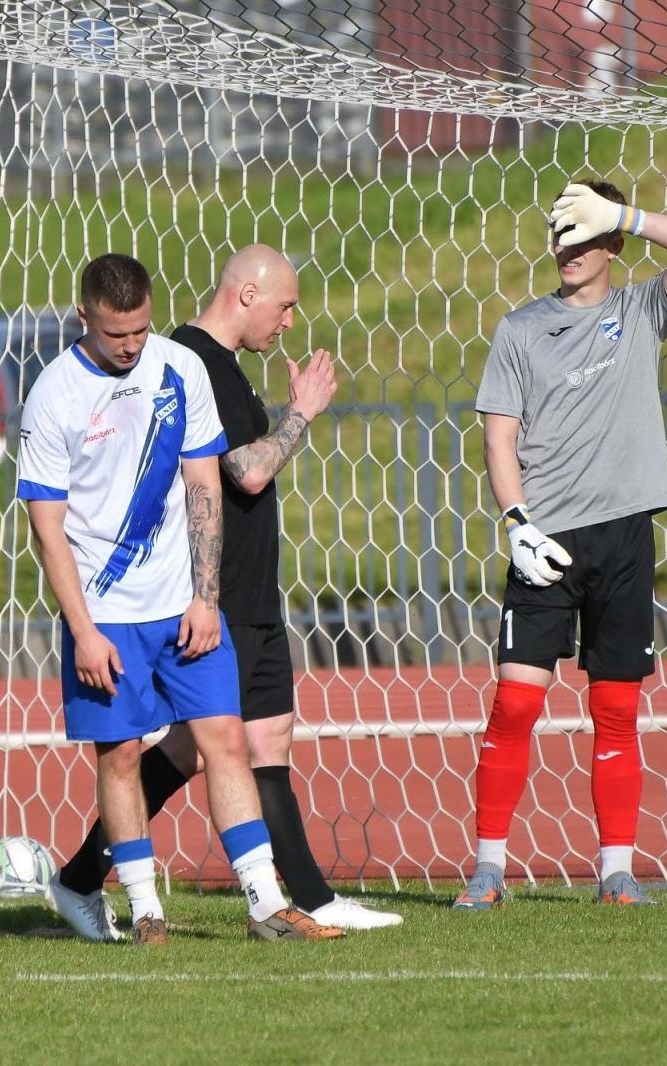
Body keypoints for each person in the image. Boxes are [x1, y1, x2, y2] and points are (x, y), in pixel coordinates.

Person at [45, 245, 400, 939]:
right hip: (211, 594)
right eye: (286, 305)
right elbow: (245, 471)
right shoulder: (190, 359)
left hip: (250, 591)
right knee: (198, 746)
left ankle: (296, 899)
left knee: (257, 739)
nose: (290, 322)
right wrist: (301, 414)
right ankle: (94, 878)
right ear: (246, 295)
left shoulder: (218, 366)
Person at [454, 181, 667, 909]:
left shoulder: (641, 310)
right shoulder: (519, 330)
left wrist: (624, 214)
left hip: (625, 535)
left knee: (615, 710)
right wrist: (517, 524)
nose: (566, 246)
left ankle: (616, 874)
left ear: (613, 245)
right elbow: (498, 437)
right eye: (559, 232)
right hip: (545, 541)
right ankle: (487, 868)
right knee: (513, 704)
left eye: (583, 232)